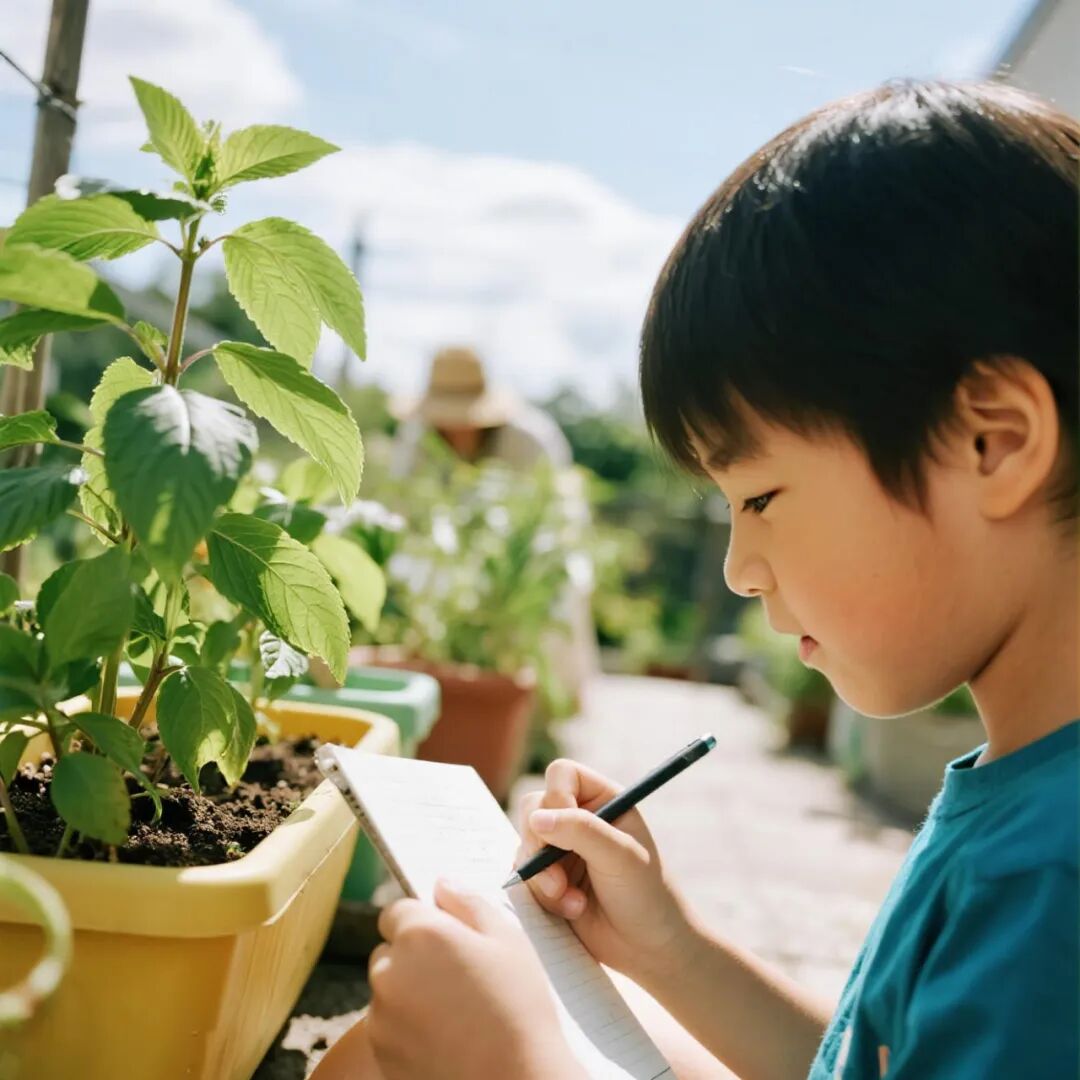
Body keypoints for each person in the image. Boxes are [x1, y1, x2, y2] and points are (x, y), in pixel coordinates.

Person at [313, 80, 1079, 1079]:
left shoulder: (1054, 877)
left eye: (758, 496)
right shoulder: (1028, 794)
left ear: (992, 441)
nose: (738, 567)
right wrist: (669, 950)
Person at [390, 345, 599, 711]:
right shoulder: (418, 437)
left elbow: (561, 514)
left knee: (565, 591)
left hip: (532, 555)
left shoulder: (530, 438)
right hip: (451, 554)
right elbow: (404, 508)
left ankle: (551, 708)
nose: (455, 431)